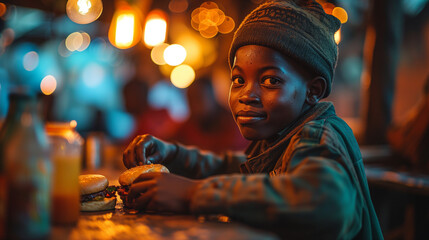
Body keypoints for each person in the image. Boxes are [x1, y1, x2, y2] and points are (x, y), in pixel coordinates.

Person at [122, 1, 383, 239]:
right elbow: (237, 169)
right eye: (238, 80)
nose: (247, 95)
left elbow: (326, 203)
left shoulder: (317, 135)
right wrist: (171, 156)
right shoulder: (279, 135)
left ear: (312, 91)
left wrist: (192, 194)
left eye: (271, 80)